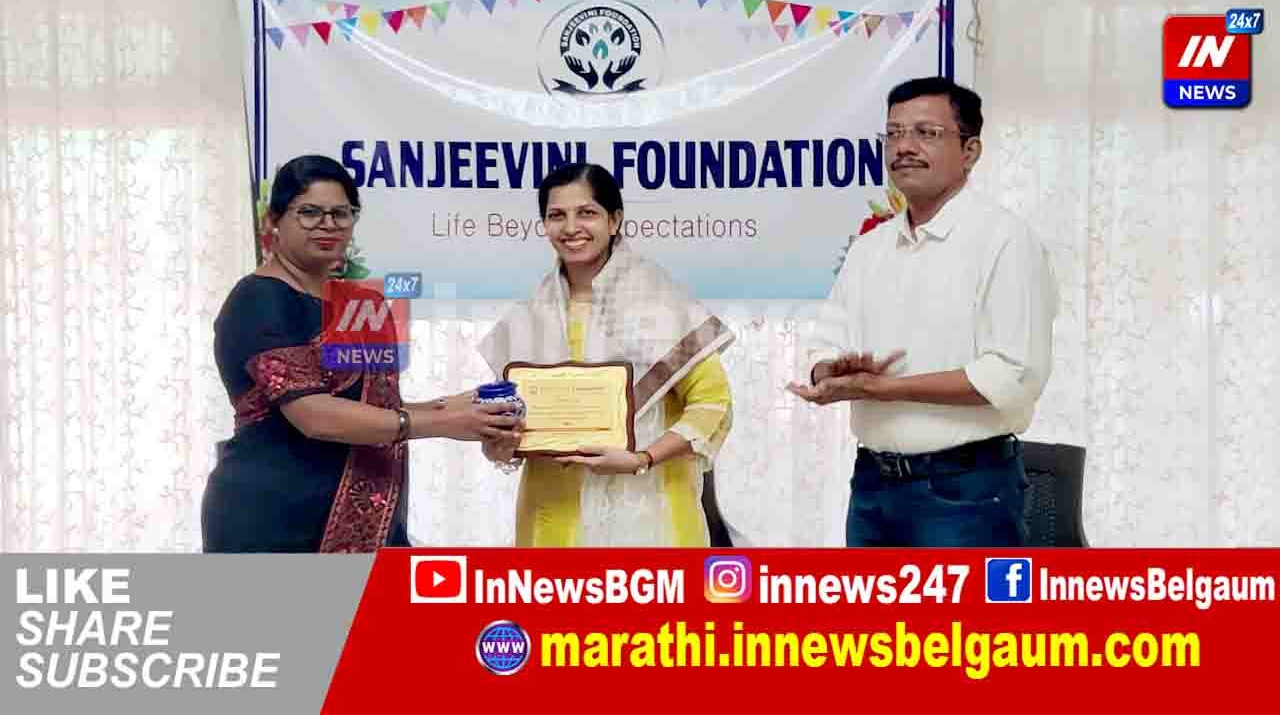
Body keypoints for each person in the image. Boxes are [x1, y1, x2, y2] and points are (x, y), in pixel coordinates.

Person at [787, 77, 1058, 547]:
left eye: (926, 133)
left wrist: (888, 389)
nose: (904, 147)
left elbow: (1014, 373)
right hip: (872, 487)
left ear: (970, 151)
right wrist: (831, 371)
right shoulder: (869, 248)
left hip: (966, 491)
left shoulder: (1005, 241)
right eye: (893, 133)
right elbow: (822, 344)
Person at [204, 154, 520, 553]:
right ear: (274, 221)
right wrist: (443, 422)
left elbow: (365, 408)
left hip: (367, 520)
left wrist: (449, 406)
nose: (327, 224)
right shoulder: (258, 299)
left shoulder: (357, 303)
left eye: (341, 213)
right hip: (275, 521)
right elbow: (314, 414)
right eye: (309, 212)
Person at [477, 163, 735, 547]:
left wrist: (642, 459)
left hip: (650, 513)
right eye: (557, 215)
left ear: (614, 221)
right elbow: (513, 424)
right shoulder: (530, 317)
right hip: (554, 519)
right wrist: (500, 444)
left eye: (587, 213)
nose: (571, 228)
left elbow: (713, 405)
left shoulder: (662, 303)